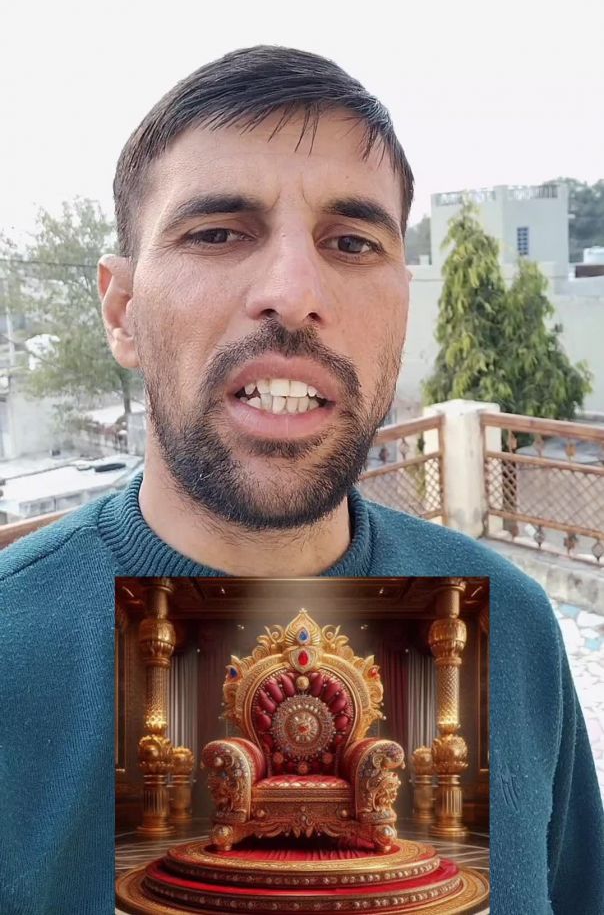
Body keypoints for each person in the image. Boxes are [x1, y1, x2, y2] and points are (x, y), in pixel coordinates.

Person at [0, 46, 602, 915]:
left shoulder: (511, 625)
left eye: (351, 242)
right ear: (122, 310)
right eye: (218, 233)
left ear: (401, 306)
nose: (292, 291)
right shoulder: (13, 647)